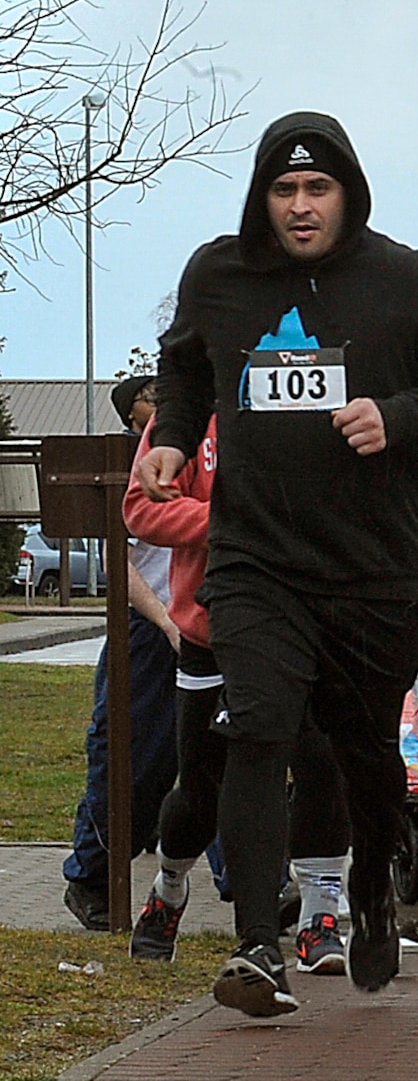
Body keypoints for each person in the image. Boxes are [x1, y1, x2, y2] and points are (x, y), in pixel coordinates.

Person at [139, 111, 418, 1016]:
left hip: (368, 567)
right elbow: (184, 367)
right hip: (256, 558)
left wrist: (399, 418)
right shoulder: (218, 275)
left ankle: (371, 893)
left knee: (362, 753)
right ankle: (260, 945)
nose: (300, 207)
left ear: (348, 194)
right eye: (284, 189)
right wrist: (173, 441)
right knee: (256, 727)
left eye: (318, 188)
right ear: (262, 197)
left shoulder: (402, 279)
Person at [122, 412, 354, 969]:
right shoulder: (185, 414)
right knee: (202, 789)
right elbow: (140, 509)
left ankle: (318, 917)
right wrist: (231, 521)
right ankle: (169, 889)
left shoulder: (326, 396)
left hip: (312, 621)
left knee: (322, 760)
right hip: (213, 629)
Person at [60, 375, 181, 932]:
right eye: (147, 406)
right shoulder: (130, 474)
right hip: (149, 627)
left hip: (213, 624)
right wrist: (164, 619)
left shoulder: (209, 454)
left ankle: (261, 883)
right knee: (129, 757)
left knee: (229, 754)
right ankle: (92, 875)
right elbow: (119, 566)